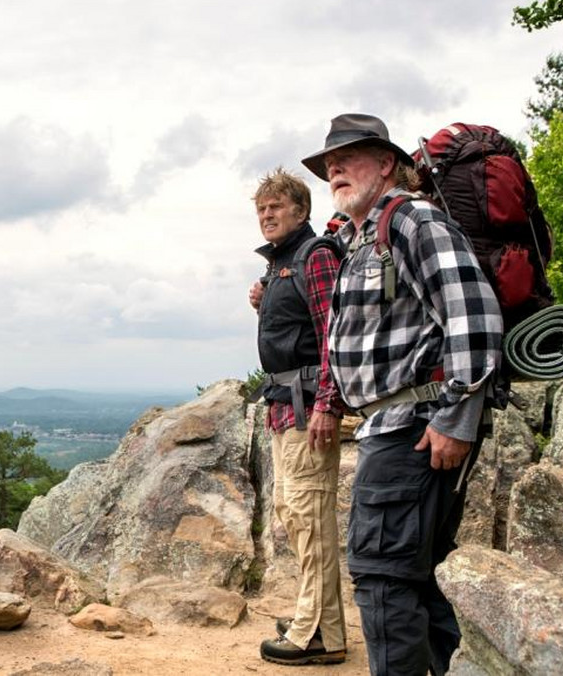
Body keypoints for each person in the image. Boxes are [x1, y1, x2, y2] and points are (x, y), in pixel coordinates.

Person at [300, 113, 503, 675]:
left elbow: (475, 317)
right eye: (327, 166)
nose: (333, 170)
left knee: (383, 579)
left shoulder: (413, 221)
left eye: (348, 158)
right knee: (417, 577)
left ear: (387, 164)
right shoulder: (362, 237)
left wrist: (457, 417)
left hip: (413, 430)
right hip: (392, 427)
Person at [249, 168, 347, 666]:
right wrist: (265, 303)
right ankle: (324, 625)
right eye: (261, 209)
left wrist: (329, 403)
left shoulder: (315, 256)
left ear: (301, 211)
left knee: (310, 518)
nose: (266, 215)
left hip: (310, 405)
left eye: (276, 207)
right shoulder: (283, 265)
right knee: (295, 513)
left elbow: (334, 334)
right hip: (286, 405)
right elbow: (296, 331)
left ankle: (316, 635)